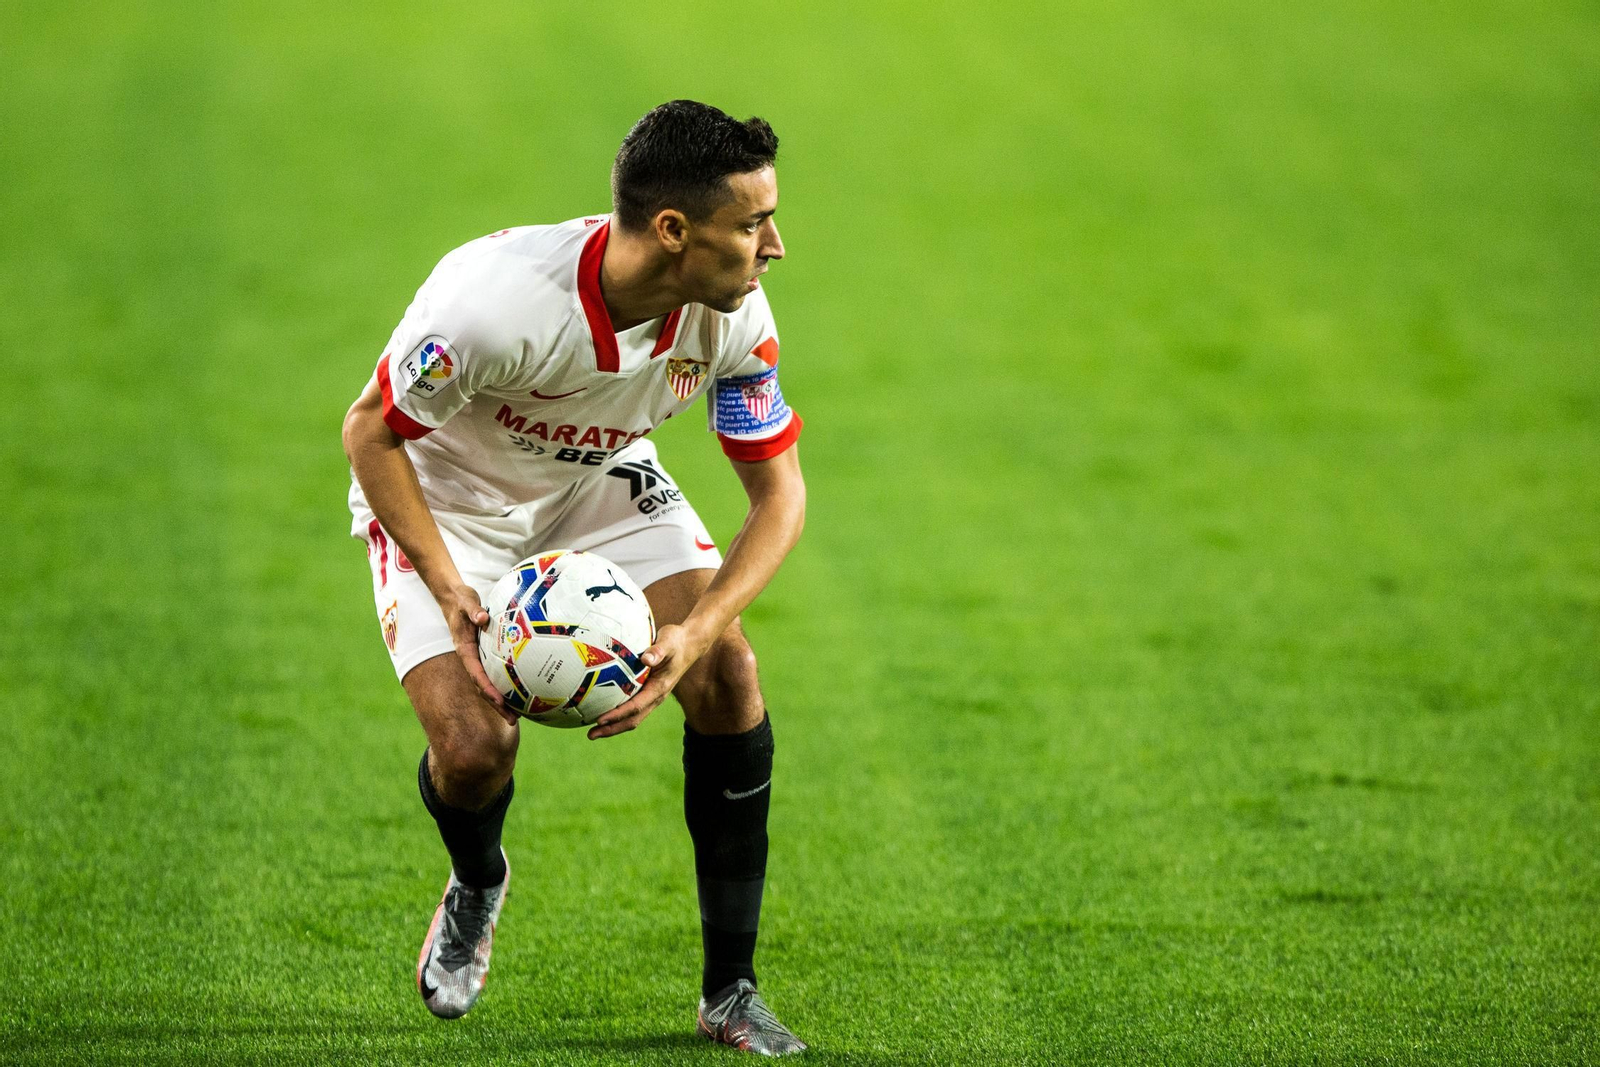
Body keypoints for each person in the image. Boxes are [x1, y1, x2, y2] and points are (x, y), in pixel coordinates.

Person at [340, 100, 808, 1056]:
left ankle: (731, 989)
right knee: (474, 748)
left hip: (595, 477)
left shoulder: (735, 319)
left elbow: (780, 496)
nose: (775, 247)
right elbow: (370, 432)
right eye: (753, 224)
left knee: (730, 675)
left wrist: (697, 632)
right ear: (673, 230)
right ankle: (478, 877)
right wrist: (447, 583)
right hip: (449, 503)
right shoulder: (495, 305)